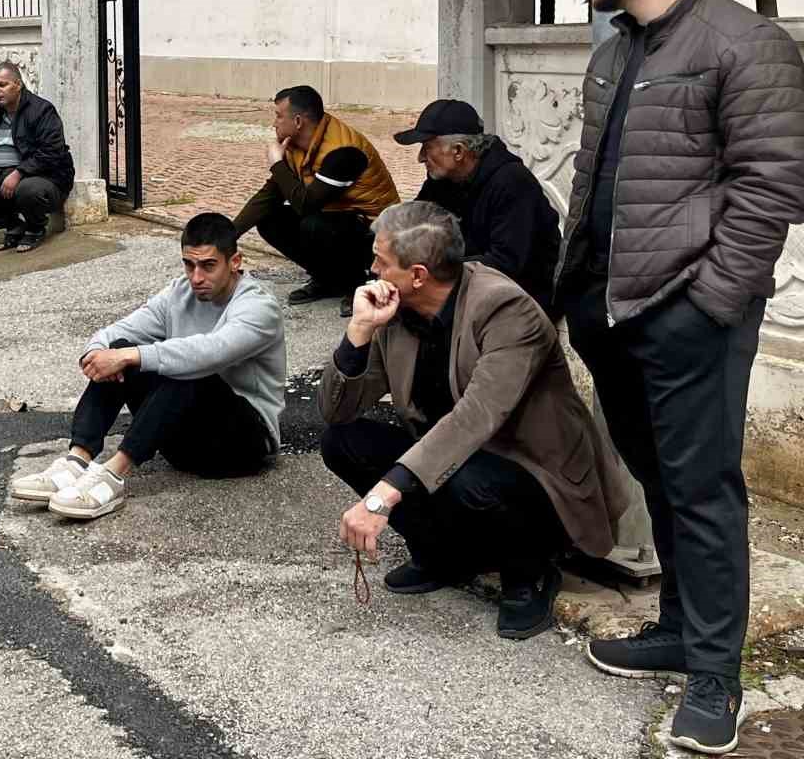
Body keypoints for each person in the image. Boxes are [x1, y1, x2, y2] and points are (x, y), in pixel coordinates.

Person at [555, 0, 804, 754]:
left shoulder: (744, 42)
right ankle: (674, 627)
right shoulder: (615, 51)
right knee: (659, 477)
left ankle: (714, 676)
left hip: (690, 314)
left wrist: (711, 302)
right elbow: (597, 183)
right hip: (610, 309)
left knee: (703, 492)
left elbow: (773, 186)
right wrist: (577, 294)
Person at [320, 202, 625, 641]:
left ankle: (530, 574)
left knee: (471, 478)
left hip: (536, 477)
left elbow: (476, 418)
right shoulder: (397, 310)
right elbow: (336, 410)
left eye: (380, 262)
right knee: (342, 441)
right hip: (455, 465)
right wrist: (359, 333)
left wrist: (380, 499)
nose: (371, 270)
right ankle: (444, 556)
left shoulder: (505, 309)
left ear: (419, 274)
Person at [9, 212, 284, 520]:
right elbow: (118, 332)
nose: (196, 277)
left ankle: (113, 476)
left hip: (242, 445)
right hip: (184, 443)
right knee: (120, 350)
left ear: (235, 261)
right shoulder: (180, 292)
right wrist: (99, 352)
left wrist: (132, 357)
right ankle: (77, 460)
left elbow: (211, 352)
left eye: (208, 265)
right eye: (189, 264)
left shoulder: (259, 307)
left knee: (184, 367)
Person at [232, 85, 399, 311]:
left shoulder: (343, 151)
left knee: (315, 224)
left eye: (279, 116)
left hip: (376, 231)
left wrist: (277, 164)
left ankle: (359, 283)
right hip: (338, 217)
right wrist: (227, 236)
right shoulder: (296, 144)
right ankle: (328, 279)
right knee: (270, 218)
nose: (274, 123)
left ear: (298, 121)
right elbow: (271, 194)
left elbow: (307, 205)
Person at [397, 98, 561, 315]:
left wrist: (434, 270)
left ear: (458, 151)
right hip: (467, 280)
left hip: (518, 296)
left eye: (427, 148)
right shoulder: (442, 178)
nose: (420, 158)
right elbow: (414, 223)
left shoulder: (512, 182)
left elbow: (507, 263)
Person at [0, 62, 74, 252]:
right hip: (0, 177)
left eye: (3, 85)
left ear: (18, 84)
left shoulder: (41, 110)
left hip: (43, 179)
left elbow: (51, 152)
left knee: (29, 190)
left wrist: (19, 172)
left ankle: (35, 228)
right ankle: (13, 225)